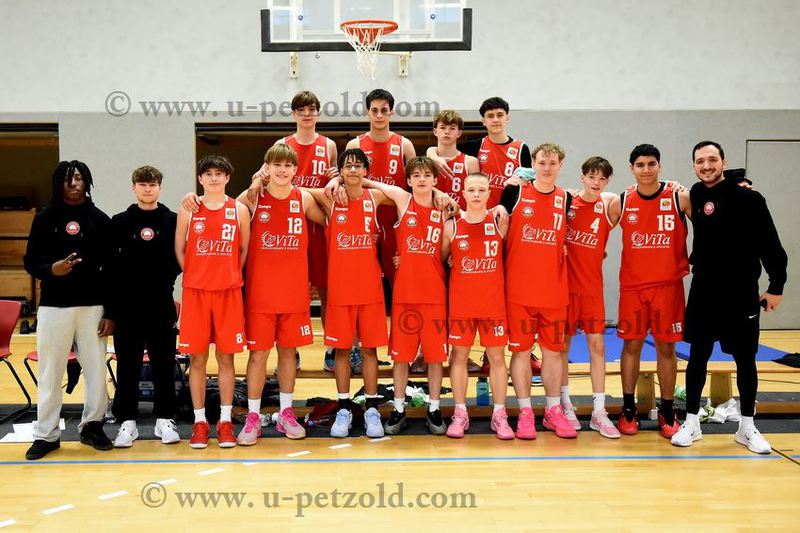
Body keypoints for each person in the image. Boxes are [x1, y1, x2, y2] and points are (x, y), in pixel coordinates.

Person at [671, 141, 787, 454]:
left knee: (745, 360)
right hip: (704, 290)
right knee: (697, 357)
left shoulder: (749, 198)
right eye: (700, 161)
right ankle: (691, 422)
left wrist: (776, 286)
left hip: (741, 291)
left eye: (712, 159)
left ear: (724, 162)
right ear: (694, 166)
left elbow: (771, 244)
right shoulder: (696, 193)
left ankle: (747, 427)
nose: (706, 166)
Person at [235, 144, 327, 445]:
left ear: (295, 170)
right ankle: (253, 416)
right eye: (277, 165)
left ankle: (286, 413)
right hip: (260, 293)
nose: (282, 170)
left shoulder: (303, 198)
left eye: (288, 166)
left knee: (288, 353)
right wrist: (254, 182)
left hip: (293, 292)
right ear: (267, 167)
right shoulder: (252, 198)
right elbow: (223, 210)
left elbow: (332, 218)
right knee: (258, 355)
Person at [23, 160, 114, 460]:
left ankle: (93, 426)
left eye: (78, 178)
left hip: (93, 307)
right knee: (50, 372)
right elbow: (30, 262)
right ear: (58, 183)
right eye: (67, 179)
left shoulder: (99, 219)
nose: (73, 183)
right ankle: (46, 434)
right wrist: (52, 269)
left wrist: (111, 312)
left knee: (96, 370)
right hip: (54, 306)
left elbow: (113, 269)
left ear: (87, 182)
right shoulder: (44, 217)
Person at [246, 91, 339, 372]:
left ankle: (332, 349)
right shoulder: (282, 144)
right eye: (301, 110)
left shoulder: (328, 145)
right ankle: (291, 350)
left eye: (311, 110)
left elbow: (333, 182)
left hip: (316, 222)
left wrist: (334, 181)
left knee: (326, 289)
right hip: (286, 223)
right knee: (287, 287)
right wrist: (255, 181)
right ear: (294, 114)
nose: (307, 114)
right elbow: (261, 176)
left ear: (318, 113)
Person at [360, 157, 453, 436]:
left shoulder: (445, 209)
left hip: (435, 294)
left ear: (435, 180)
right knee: (401, 357)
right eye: (417, 175)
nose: (422, 179)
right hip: (405, 295)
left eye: (427, 175)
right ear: (409, 180)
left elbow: (444, 254)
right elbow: (368, 183)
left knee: (435, 358)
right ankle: (399, 408)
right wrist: (337, 179)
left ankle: (434, 408)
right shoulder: (403, 199)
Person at [308, 148, 393, 438]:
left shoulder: (374, 197)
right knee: (342, 351)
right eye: (348, 166)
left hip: (370, 290)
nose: (353, 170)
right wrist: (331, 183)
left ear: (366, 171)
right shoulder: (330, 200)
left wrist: (366, 183)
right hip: (340, 292)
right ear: (341, 170)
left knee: (370, 351)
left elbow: (401, 194)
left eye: (358, 166)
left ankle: (371, 409)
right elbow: (297, 192)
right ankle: (343, 408)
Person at [609, 144, 691, 438]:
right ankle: (628, 409)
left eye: (651, 164)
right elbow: (592, 225)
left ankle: (667, 410)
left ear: (660, 166)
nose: (646, 169)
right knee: (631, 346)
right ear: (631, 169)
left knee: (666, 349)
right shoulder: (621, 201)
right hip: (633, 288)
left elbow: (713, 223)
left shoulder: (679, 197)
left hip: (668, 287)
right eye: (640, 165)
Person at [498, 143, 575, 439]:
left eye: (552, 163)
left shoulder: (566, 198)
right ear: (533, 164)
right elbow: (495, 221)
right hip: (519, 291)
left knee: (553, 353)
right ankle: (526, 412)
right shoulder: (515, 192)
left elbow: (600, 197)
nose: (546, 168)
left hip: (554, 291)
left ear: (560, 165)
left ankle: (553, 411)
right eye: (541, 162)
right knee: (520, 352)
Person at [175, 155, 250, 449]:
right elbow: (180, 249)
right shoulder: (189, 209)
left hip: (228, 293)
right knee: (197, 359)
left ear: (228, 178)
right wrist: (196, 275)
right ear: (200, 179)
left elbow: (243, 251)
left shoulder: (239, 210)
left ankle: (225, 421)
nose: (214, 178)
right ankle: (200, 422)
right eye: (209, 174)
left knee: (226, 358)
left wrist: (227, 275)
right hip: (196, 293)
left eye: (220, 173)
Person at [109, 166, 181, 447]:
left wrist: (161, 279)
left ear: (160, 187)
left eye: (152, 184)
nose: (147, 189)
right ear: (134, 188)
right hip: (128, 307)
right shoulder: (119, 222)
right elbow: (112, 267)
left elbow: (179, 259)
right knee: (128, 365)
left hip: (161, 303)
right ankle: (127, 421)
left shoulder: (173, 220)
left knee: (164, 363)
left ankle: (165, 419)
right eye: (142, 184)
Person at [443, 173, 512, 439]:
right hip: (462, 305)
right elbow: (441, 259)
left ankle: (499, 414)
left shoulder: (500, 221)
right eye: (471, 190)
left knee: (497, 358)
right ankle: (460, 413)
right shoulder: (452, 226)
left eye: (481, 190)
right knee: (459, 357)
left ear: (488, 194)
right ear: (463, 193)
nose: (476, 194)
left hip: (493, 304)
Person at [561, 157, 621, 438]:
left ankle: (599, 411)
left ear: (607, 182)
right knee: (561, 349)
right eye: (592, 177)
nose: (596, 183)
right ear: (582, 177)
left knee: (597, 347)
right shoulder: (566, 203)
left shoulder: (608, 206)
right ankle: (565, 404)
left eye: (602, 178)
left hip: (592, 290)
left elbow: (634, 194)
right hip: (563, 289)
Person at [345, 89, 417, 289]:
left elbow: (417, 184)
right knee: (362, 278)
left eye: (384, 110)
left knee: (399, 279)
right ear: (367, 112)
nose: (379, 115)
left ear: (391, 112)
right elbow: (345, 180)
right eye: (374, 110)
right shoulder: (355, 144)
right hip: (363, 220)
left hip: (395, 220)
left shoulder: (405, 145)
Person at [429, 96, 531, 208]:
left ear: (507, 118)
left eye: (500, 115)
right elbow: (446, 148)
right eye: (490, 116)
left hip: (510, 211)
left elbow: (530, 179)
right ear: (483, 121)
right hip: (482, 212)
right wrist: (432, 156)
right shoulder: (474, 146)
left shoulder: (521, 148)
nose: (495, 120)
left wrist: (521, 179)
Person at [428, 110, 480, 210]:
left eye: (452, 128)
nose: (447, 132)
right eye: (442, 127)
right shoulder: (427, 160)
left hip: (461, 215)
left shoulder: (470, 162)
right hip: (432, 215)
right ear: (435, 131)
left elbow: (476, 194)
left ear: (459, 133)